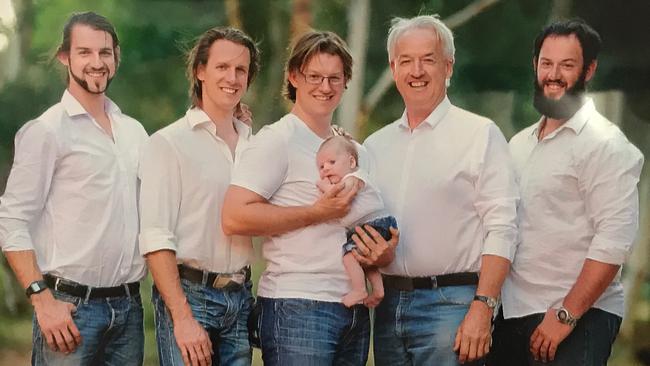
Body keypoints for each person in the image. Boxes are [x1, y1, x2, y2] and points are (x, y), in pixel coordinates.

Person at [222, 30, 398, 365]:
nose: (325, 86)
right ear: (293, 77)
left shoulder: (355, 152)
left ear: (346, 81)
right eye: (314, 76)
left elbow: (363, 221)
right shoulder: (276, 140)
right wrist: (317, 211)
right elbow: (234, 217)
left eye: (335, 77)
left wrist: (382, 255)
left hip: (353, 308)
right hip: (297, 306)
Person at [362, 15, 519, 365]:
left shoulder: (480, 134)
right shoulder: (374, 146)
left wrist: (484, 306)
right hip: (388, 311)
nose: (416, 70)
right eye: (406, 61)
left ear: (448, 66)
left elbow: (503, 227)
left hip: (453, 308)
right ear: (393, 67)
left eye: (428, 59)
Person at [488, 18, 644, 365]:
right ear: (535, 66)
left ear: (589, 70)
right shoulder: (518, 144)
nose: (553, 74)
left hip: (578, 318)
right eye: (546, 63)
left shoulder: (606, 145)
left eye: (567, 65)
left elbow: (614, 241)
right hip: (513, 314)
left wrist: (566, 315)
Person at [0, 12, 147, 365]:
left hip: (129, 310)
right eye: (85, 53)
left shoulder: (134, 132)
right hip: (69, 310)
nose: (97, 63)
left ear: (116, 58)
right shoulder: (47, 131)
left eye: (105, 53)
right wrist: (41, 298)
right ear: (65, 57)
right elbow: (11, 218)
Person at [138, 27, 260, 366]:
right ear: (200, 71)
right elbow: (155, 237)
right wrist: (182, 318)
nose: (232, 78)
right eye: (222, 67)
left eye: (241, 70)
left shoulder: (257, 145)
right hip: (191, 297)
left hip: (240, 298)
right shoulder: (168, 143)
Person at [315, 135, 396, 308]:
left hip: (376, 223)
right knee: (364, 258)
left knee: (349, 256)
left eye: (331, 162)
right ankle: (378, 288)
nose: (326, 169)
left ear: (351, 162)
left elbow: (344, 196)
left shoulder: (354, 177)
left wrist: (325, 187)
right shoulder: (347, 178)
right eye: (321, 167)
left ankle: (359, 289)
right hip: (367, 226)